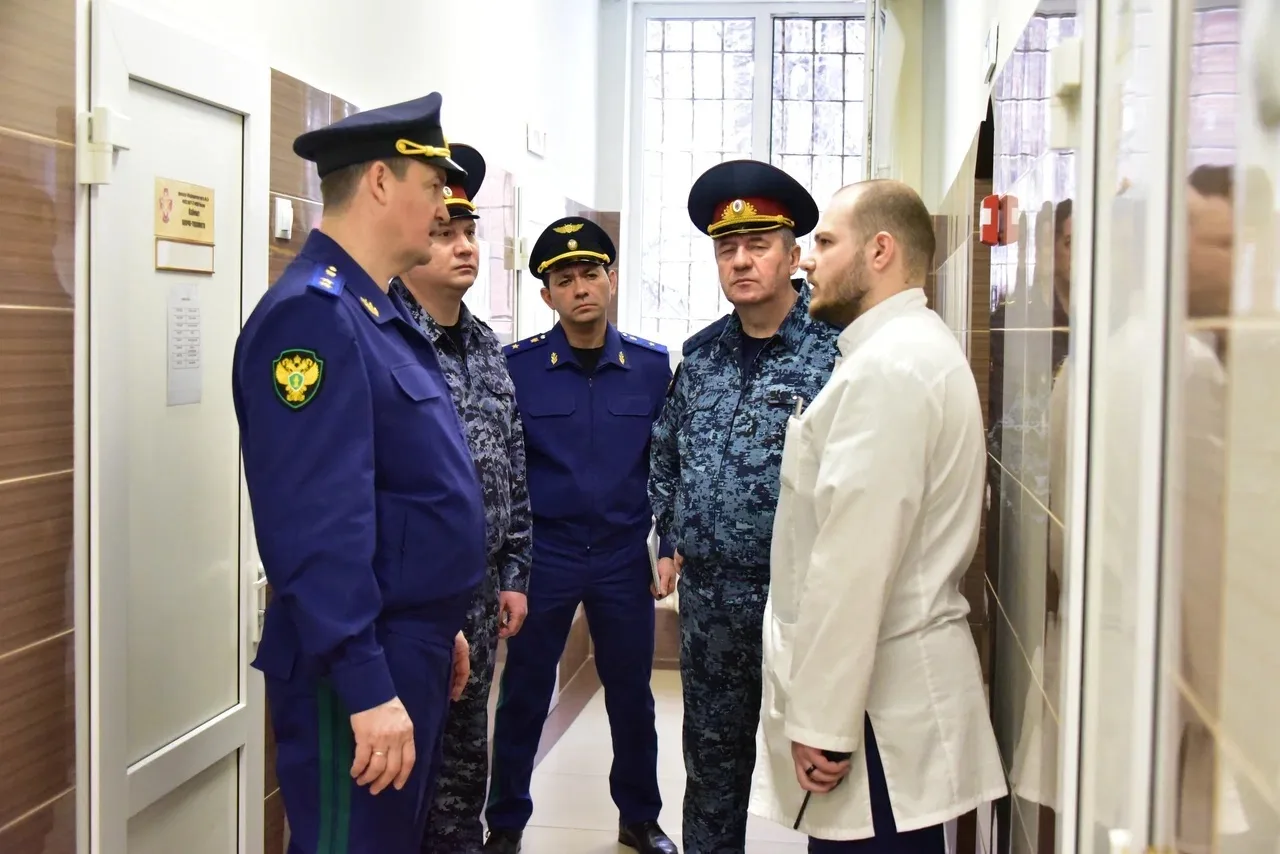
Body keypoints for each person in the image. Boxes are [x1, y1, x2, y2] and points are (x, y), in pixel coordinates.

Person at [232, 93, 485, 854]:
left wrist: (439, 621)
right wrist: (366, 679)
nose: (441, 207)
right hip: (354, 660)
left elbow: (400, 488)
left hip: (405, 641)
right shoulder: (312, 316)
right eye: (431, 185)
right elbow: (315, 523)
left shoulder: (377, 312)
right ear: (380, 181)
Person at [748, 179, 1006, 852]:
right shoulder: (899, 351)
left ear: (881, 251)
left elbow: (854, 564)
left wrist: (822, 722)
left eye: (827, 242)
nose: (808, 259)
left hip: (874, 714)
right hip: (877, 697)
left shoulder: (891, 370)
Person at [648, 159, 841, 854]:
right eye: (726, 247)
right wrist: (669, 535)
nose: (740, 260)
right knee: (712, 767)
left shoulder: (836, 353)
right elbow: (665, 455)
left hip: (803, 603)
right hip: (711, 603)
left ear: (792, 255)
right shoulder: (701, 358)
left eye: (757, 245)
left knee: (821, 763)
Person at [484, 216, 678, 854]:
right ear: (547, 295)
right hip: (547, 554)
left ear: (611, 279)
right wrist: (510, 564)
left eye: (590, 274)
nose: (580, 288)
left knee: (631, 696)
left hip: (622, 554)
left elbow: (669, 463)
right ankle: (505, 824)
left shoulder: (650, 366)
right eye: (564, 280)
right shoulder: (519, 368)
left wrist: (667, 545)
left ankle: (639, 817)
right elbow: (508, 469)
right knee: (523, 693)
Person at [386, 142, 534, 854]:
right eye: (444, 233)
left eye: (469, 231)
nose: (465, 247)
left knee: (465, 770)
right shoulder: (387, 339)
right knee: (405, 773)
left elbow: (512, 465)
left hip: (479, 598)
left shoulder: (484, 345)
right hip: (411, 603)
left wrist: (514, 572)